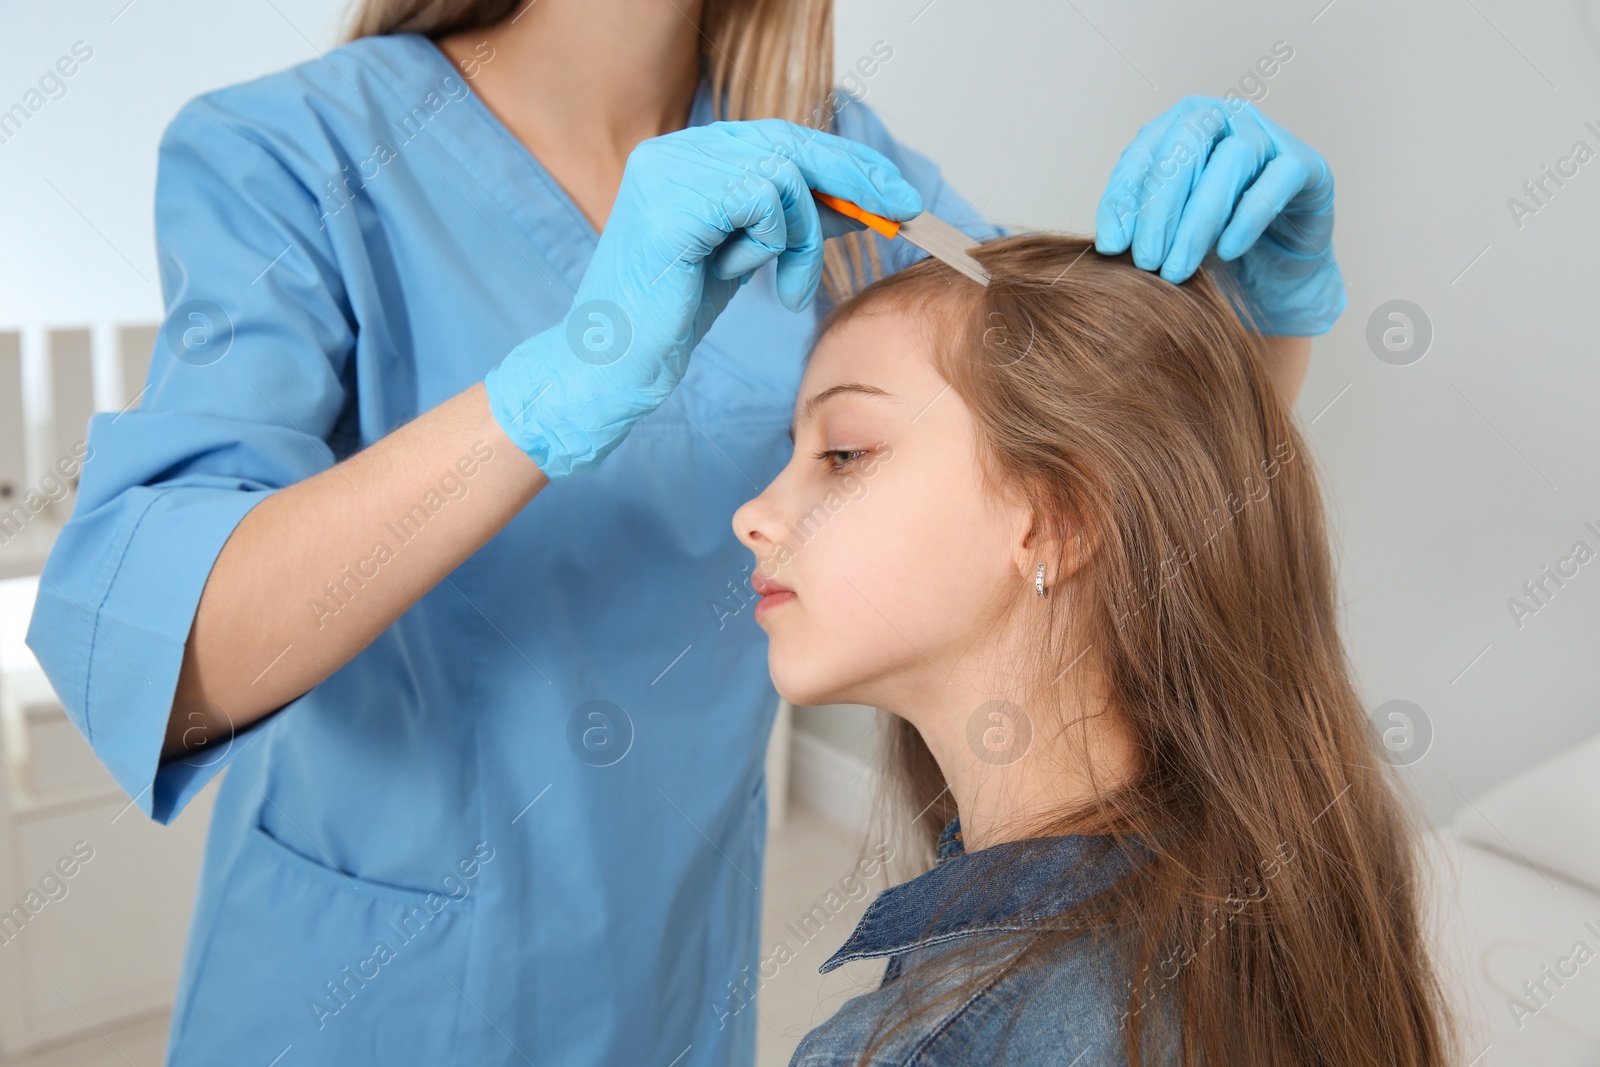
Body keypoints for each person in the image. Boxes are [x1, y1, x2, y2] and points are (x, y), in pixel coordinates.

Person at [23, 0, 1347, 1059]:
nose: (759, 511)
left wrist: (1261, 321)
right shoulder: (297, 154)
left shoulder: (836, 173)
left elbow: (1111, 477)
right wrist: (551, 392)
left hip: (670, 969)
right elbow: (163, 648)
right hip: (364, 992)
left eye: (835, 452)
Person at [733, 234, 1453, 1066]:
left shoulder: (925, 1047)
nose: (754, 513)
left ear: (1061, 519)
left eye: (843, 453)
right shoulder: (1273, 883)